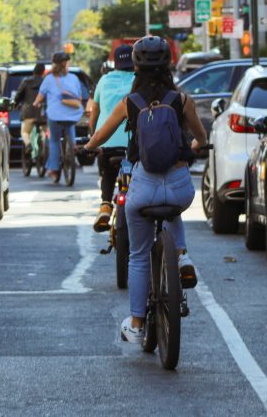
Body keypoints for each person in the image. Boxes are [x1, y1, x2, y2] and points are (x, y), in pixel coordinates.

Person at [81, 36, 208, 345]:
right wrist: (194, 146)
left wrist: (86, 147)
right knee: (173, 207)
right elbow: (200, 138)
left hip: (143, 188)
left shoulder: (130, 102)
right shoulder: (181, 99)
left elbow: (100, 135)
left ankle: (137, 324)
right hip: (179, 188)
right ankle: (180, 255)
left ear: (136, 66)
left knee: (137, 257)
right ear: (168, 66)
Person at [88, 44, 135, 232]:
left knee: (107, 171)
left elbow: (95, 112)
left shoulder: (104, 80)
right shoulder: (140, 81)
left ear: (115, 63)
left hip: (106, 142)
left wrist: (93, 136)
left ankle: (105, 205)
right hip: (133, 144)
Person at [33, 52, 88, 183]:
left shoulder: (49, 78)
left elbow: (40, 96)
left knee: (54, 140)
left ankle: (53, 169)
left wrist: (35, 103)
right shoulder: (74, 78)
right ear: (67, 63)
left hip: (55, 114)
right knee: (70, 126)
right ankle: (72, 145)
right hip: (73, 112)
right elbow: (79, 96)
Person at [13, 63, 46, 150]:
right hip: (44, 114)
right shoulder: (46, 82)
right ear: (43, 72)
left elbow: (18, 96)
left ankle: (28, 144)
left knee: (25, 132)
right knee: (46, 131)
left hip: (28, 113)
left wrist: (14, 105)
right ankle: (46, 145)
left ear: (33, 72)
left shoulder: (26, 81)